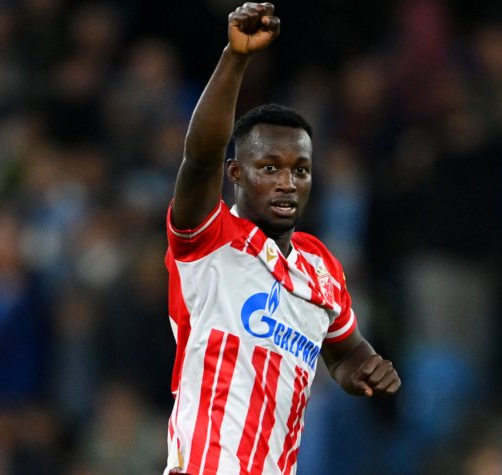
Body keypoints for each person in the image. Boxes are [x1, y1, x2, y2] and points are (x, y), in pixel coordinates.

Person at [164, 3, 401, 474]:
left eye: (301, 170)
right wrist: (235, 58)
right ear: (236, 173)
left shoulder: (321, 268)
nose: (287, 183)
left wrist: (364, 367)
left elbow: (343, 352)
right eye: (269, 168)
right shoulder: (210, 240)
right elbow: (201, 158)